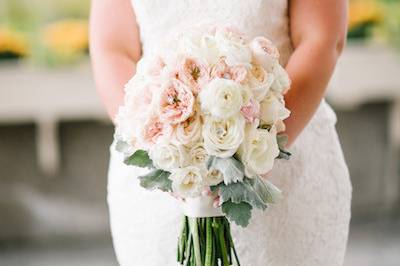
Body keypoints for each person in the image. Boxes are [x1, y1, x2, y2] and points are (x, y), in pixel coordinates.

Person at [90, 0, 352, 265]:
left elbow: (320, 38)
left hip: (285, 158)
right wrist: (157, 142)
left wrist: (260, 144)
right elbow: (112, 49)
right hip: (159, 178)